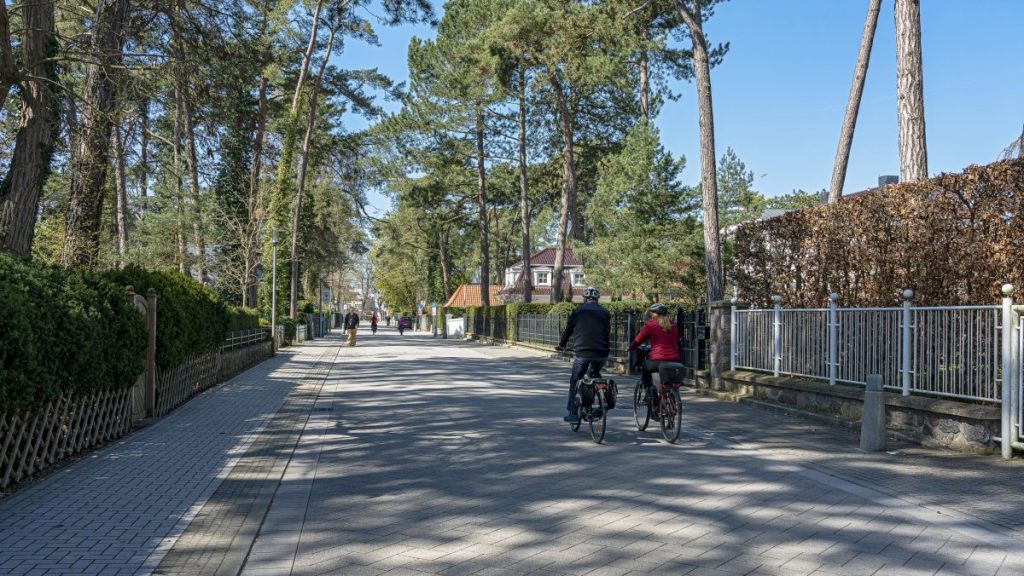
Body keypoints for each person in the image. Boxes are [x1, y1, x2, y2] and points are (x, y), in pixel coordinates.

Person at [554, 287, 610, 423]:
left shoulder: (578, 311)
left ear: (584, 299)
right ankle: (599, 398)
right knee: (595, 374)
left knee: (575, 380)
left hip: (582, 353)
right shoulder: (605, 312)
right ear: (597, 299)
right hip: (601, 352)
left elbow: (568, 330)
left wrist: (562, 345)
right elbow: (607, 332)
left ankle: (573, 413)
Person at [627, 303, 681, 407]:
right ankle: (672, 399)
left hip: (657, 360)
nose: (651, 315)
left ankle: (648, 391)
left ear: (655, 314)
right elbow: (676, 340)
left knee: (645, 367)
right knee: (670, 382)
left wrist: (630, 348)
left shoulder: (651, 324)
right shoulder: (672, 325)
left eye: (652, 313)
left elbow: (639, 340)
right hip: (674, 360)